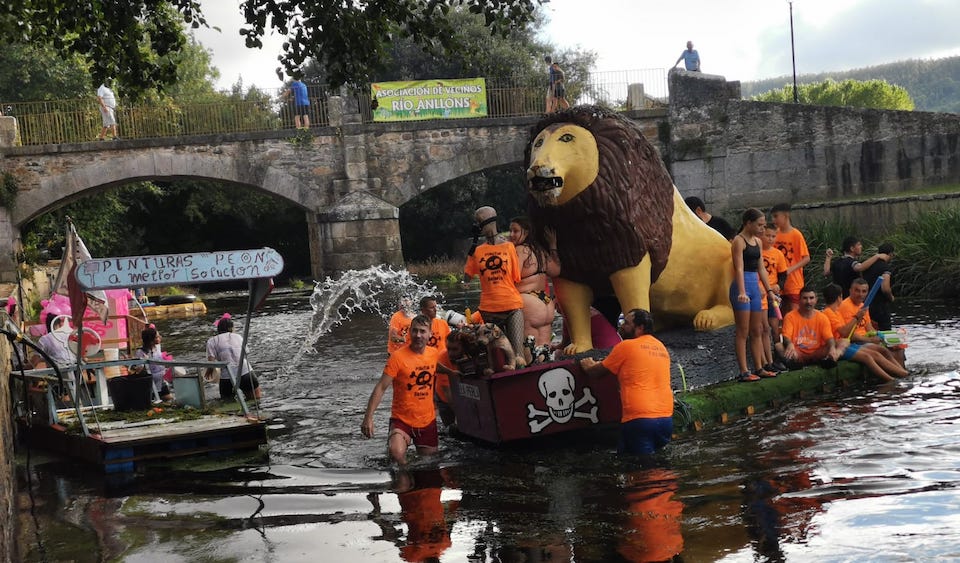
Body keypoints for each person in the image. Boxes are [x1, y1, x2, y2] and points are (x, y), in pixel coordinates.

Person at [579, 309, 673, 456]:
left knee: (644, 468)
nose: (622, 325)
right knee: (632, 458)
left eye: (627, 323)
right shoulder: (661, 348)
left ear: (640, 328)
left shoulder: (626, 347)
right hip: (666, 418)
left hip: (640, 419)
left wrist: (587, 363)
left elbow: (595, 371)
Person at [360, 315, 446, 465]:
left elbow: (436, 367)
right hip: (402, 420)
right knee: (396, 454)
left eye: (422, 331)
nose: (418, 335)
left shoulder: (433, 354)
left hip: (427, 420)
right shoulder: (397, 358)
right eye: (414, 331)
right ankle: (404, 481)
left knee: (430, 464)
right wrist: (368, 417)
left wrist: (453, 374)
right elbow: (381, 387)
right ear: (409, 332)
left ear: (430, 334)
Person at [463, 206, 526, 367]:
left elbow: (515, 277)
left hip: (512, 305)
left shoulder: (509, 247)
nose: (479, 226)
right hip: (489, 309)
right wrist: (472, 249)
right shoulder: (477, 251)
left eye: (480, 222)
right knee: (496, 360)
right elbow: (467, 277)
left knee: (517, 355)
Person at [821, 283, 907, 381]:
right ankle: (892, 379)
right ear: (839, 297)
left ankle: (903, 373)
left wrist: (882, 338)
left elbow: (867, 328)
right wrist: (857, 317)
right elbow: (845, 332)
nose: (861, 294)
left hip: (845, 343)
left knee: (886, 350)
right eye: (857, 290)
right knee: (868, 356)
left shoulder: (836, 312)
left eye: (864, 291)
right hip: (841, 345)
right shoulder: (830, 312)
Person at [730, 208, 777, 382]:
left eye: (764, 225)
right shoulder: (739, 241)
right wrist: (742, 291)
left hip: (755, 287)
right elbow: (739, 268)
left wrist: (770, 291)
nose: (762, 229)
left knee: (757, 330)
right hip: (742, 287)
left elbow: (761, 269)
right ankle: (744, 371)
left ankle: (759, 367)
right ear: (748, 223)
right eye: (759, 225)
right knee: (743, 330)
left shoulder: (757, 242)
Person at [508, 216, 556, 357]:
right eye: (510, 231)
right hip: (546, 302)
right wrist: (553, 246)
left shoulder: (519, 250)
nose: (511, 235)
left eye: (515, 231)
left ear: (527, 232)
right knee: (543, 349)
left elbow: (511, 276)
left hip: (529, 301)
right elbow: (555, 271)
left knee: (529, 351)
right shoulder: (541, 251)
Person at [778, 286, 840, 368]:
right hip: (798, 352)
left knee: (841, 343)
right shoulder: (790, 316)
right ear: (799, 300)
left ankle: (829, 360)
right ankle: (794, 364)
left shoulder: (822, 317)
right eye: (805, 298)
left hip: (817, 352)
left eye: (811, 298)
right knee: (778, 346)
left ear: (816, 299)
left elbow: (829, 338)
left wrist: (832, 348)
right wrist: (789, 344)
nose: (808, 302)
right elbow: (786, 337)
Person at [205, 315, 262, 400]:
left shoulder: (212, 341)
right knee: (255, 400)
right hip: (245, 372)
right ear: (231, 328)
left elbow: (211, 363)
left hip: (227, 377)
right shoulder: (238, 337)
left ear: (218, 329)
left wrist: (209, 373)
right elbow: (246, 353)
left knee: (227, 403)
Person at [771, 203, 810, 316]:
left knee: (794, 312)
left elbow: (806, 258)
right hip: (777, 282)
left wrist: (789, 270)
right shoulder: (774, 235)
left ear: (785, 215)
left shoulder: (796, 235)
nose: (774, 220)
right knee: (780, 313)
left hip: (794, 282)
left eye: (776, 216)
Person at [823, 236, 890, 298]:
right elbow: (860, 267)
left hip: (838, 298)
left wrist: (828, 258)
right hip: (850, 298)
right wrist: (877, 256)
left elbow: (826, 272)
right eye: (858, 245)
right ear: (852, 248)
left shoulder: (837, 261)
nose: (861, 247)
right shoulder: (851, 262)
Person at [761, 223, 789, 371]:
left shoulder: (778, 254)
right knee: (762, 326)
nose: (771, 239)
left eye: (773, 236)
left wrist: (780, 285)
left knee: (774, 326)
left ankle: (777, 358)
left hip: (773, 293)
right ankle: (765, 360)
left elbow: (783, 274)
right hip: (760, 292)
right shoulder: (757, 251)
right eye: (768, 236)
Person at [862, 242, 896, 331]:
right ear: (890, 254)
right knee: (885, 330)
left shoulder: (868, 266)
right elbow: (885, 288)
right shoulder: (885, 268)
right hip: (880, 305)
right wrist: (891, 297)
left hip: (866, 304)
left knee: (869, 329)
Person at [134, 326, 173, 402]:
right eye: (157, 337)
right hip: (151, 382)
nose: (160, 338)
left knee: (169, 398)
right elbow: (139, 370)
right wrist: (144, 362)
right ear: (151, 340)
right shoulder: (141, 352)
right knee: (152, 400)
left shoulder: (157, 348)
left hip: (161, 378)